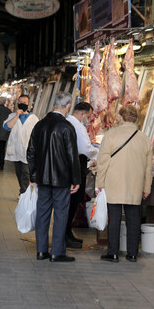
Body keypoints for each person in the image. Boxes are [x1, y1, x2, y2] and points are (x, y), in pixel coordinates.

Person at [27, 92, 81, 263]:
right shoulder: (66, 127)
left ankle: (41, 251)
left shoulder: (39, 125)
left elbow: (31, 153)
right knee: (60, 215)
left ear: (52, 105)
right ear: (67, 106)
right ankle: (57, 252)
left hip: (42, 179)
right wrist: (76, 179)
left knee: (42, 214)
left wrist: (34, 175)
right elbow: (73, 156)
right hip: (62, 179)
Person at [96, 104, 152, 263]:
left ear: (121, 117)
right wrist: (146, 187)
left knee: (114, 218)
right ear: (135, 119)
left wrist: (99, 184)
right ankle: (132, 254)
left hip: (113, 183)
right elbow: (149, 168)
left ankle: (113, 253)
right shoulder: (144, 138)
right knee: (134, 219)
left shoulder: (111, 135)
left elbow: (103, 163)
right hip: (135, 185)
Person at [65, 102, 99, 248]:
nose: (89, 119)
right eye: (89, 116)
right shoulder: (77, 126)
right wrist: (98, 152)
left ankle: (67, 233)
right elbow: (85, 148)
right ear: (83, 113)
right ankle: (66, 235)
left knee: (71, 203)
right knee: (71, 203)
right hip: (76, 166)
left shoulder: (70, 122)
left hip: (73, 165)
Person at [3, 94, 39, 195]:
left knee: (26, 173)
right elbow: (6, 127)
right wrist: (16, 116)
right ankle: (23, 191)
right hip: (16, 149)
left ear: (29, 105)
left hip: (28, 150)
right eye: (20, 103)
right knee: (19, 173)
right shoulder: (12, 116)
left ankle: (24, 193)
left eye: (24, 103)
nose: (22, 104)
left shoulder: (34, 118)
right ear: (17, 103)